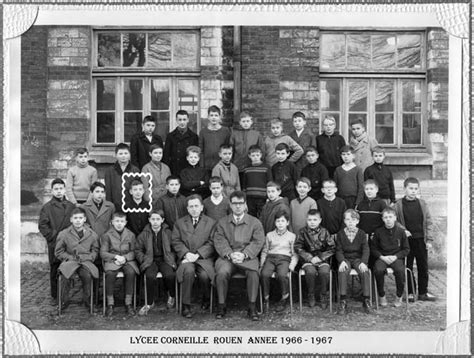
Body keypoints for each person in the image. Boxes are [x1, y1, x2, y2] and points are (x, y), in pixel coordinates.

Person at [213, 191, 265, 321]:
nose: (238, 206)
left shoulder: (255, 222)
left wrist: (245, 254)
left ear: (245, 205)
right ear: (230, 204)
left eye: (240, 203)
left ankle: (252, 306)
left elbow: (258, 241)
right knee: (221, 273)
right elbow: (219, 240)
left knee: (253, 273)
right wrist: (229, 254)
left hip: (247, 257)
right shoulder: (222, 222)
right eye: (235, 203)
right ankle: (221, 305)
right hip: (227, 258)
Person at [171, 195, 216, 318]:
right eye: (191, 206)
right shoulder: (179, 223)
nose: (194, 209)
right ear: (187, 208)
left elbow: (212, 242)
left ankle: (206, 298)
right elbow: (175, 240)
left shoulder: (211, 222)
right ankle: (186, 305)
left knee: (204, 276)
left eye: (196, 206)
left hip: (203, 258)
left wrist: (198, 254)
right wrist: (186, 253)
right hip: (186, 257)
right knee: (188, 272)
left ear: (201, 207)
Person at [393, 177, 436, 302]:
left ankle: (423, 292)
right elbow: (394, 221)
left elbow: (429, 222)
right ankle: (411, 292)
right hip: (407, 241)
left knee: (423, 266)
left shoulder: (422, 203)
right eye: (410, 188)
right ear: (404, 189)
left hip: (421, 240)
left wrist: (429, 240)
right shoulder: (398, 205)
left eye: (416, 189)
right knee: (409, 266)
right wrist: (403, 230)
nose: (413, 191)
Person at [54, 207, 99, 311]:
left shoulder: (92, 234)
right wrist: (70, 257)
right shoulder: (64, 234)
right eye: (75, 218)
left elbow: (95, 250)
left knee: (87, 276)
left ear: (84, 219)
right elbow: (58, 251)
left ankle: (88, 301)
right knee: (65, 276)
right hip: (70, 261)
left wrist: (89, 257)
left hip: (85, 262)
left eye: (80, 218)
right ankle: (63, 301)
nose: (78, 220)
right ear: (71, 220)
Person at [38, 178, 76, 302]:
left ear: (65, 190)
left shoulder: (71, 206)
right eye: (56, 189)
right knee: (55, 269)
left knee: (68, 267)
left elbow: (76, 223)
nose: (59, 191)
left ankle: (66, 293)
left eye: (61, 188)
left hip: (69, 244)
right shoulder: (47, 207)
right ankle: (56, 296)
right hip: (55, 243)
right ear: (52, 191)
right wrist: (54, 236)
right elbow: (43, 226)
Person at [135, 210, 177, 316]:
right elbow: (137, 249)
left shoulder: (168, 232)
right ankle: (149, 302)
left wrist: (171, 258)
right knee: (149, 276)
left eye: (158, 219)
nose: (155, 222)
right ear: (149, 220)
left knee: (170, 275)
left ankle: (171, 295)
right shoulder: (144, 234)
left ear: (162, 220)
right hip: (150, 260)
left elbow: (174, 247)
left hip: (165, 259)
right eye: (153, 219)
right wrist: (143, 259)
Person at [100, 211, 139, 316]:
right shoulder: (106, 235)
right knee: (110, 274)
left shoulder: (131, 235)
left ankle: (128, 303)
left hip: (127, 261)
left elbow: (134, 251)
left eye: (122, 221)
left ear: (125, 222)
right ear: (112, 222)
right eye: (117, 221)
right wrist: (115, 257)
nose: (119, 223)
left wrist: (125, 258)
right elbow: (103, 253)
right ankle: (110, 304)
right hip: (113, 260)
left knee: (131, 273)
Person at [294, 209, 335, 309]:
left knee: (324, 272)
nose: (312, 222)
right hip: (308, 261)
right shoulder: (302, 232)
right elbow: (298, 247)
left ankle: (323, 295)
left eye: (315, 220)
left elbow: (332, 248)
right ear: (306, 220)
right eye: (310, 220)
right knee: (310, 272)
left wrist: (320, 257)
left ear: (320, 220)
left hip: (322, 260)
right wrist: (309, 257)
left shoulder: (325, 232)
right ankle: (311, 295)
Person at [260, 211, 298, 313]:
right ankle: (266, 298)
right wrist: (262, 264)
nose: (280, 223)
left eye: (283, 221)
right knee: (264, 274)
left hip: (285, 259)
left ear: (287, 223)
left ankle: (284, 298)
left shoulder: (292, 236)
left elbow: (295, 253)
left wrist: (292, 265)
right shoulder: (269, 235)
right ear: (275, 223)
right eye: (278, 221)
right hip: (271, 258)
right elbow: (265, 251)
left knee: (282, 275)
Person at [335, 209, 372, 315]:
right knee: (343, 271)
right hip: (345, 259)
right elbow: (338, 250)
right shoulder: (341, 234)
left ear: (357, 221)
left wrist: (363, 262)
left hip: (357, 259)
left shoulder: (361, 233)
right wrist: (341, 261)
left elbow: (366, 249)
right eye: (347, 219)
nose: (350, 222)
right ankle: (343, 300)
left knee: (364, 272)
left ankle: (366, 300)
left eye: (353, 219)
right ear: (344, 221)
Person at [372, 207, 410, 308]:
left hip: (395, 257)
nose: (388, 219)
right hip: (383, 257)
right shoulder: (378, 232)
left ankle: (399, 295)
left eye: (390, 217)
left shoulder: (401, 232)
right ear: (382, 219)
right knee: (378, 270)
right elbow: (374, 248)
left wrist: (396, 256)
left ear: (395, 218)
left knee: (399, 271)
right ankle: (381, 295)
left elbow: (406, 249)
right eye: (385, 217)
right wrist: (382, 257)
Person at [355, 180, 388, 269]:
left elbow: (385, 220)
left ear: (376, 190)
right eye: (366, 189)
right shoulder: (360, 204)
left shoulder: (381, 204)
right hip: (363, 236)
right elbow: (356, 221)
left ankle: (374, 280)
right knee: (365, 258)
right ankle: (366, 279)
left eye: (371, 189)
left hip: (376, 237)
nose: (369, 191)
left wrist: (378, 233)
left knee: (375, 261)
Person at [104, 143, 140, 212]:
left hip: (131, 206)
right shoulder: (110, 171)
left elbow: (137, 189)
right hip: (115, 205)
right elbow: (108, 191)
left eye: (126, 153)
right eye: (120, 154)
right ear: (115, 155)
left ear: (130, 155)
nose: (123, 156)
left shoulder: (135, 170)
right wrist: (110, 206)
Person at [163, 110, 199, 176]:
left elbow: (197, 154)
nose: (182, 122)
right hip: (174, 169)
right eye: (180, 120)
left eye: (184, 119)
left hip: (189, 169)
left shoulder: (194, 136)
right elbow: (166, 155)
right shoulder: (170, 136)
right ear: (176, 120)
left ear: (188, 120)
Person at [229, 111, 265, 177]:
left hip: (252, 165)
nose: (246, 123)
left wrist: (259, 163)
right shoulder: (235, 134)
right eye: (243, 121)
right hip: (237, 165)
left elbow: (262, 149)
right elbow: (231, 149)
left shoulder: (256, 134)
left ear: (251, 122)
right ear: (240, 122)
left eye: (248, 121)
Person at [241, 145, 272, 218]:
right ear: (249, 156)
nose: (255, 157)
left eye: (257, 155)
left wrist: (268, 197)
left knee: (262, 216)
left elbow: (270, 183)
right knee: (251, 216)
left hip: (263, 197)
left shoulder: (266, 167)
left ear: (261, 155)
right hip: (250, 198)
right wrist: (244, 198)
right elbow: (244, 185)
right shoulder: (246, 169)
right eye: (253, 155)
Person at [198, 105, 231, 172]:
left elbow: (228, 148)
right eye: (211, 115)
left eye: (216, 115)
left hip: (221, 166)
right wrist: (202, 166)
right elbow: (201, 150)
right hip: (207, 167)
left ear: (219, 117)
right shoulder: (203, 132)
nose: (214, 118)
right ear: (208, 117)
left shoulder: (226, 131)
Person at [289, 111, 316, 176]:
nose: (297, 123)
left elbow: (313, 149)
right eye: (295, 121)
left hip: (305, 163)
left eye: (299, 121)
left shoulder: (310, 135)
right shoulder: (290, 135)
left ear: (304, 122)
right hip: (294, 163)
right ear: (293, 123)